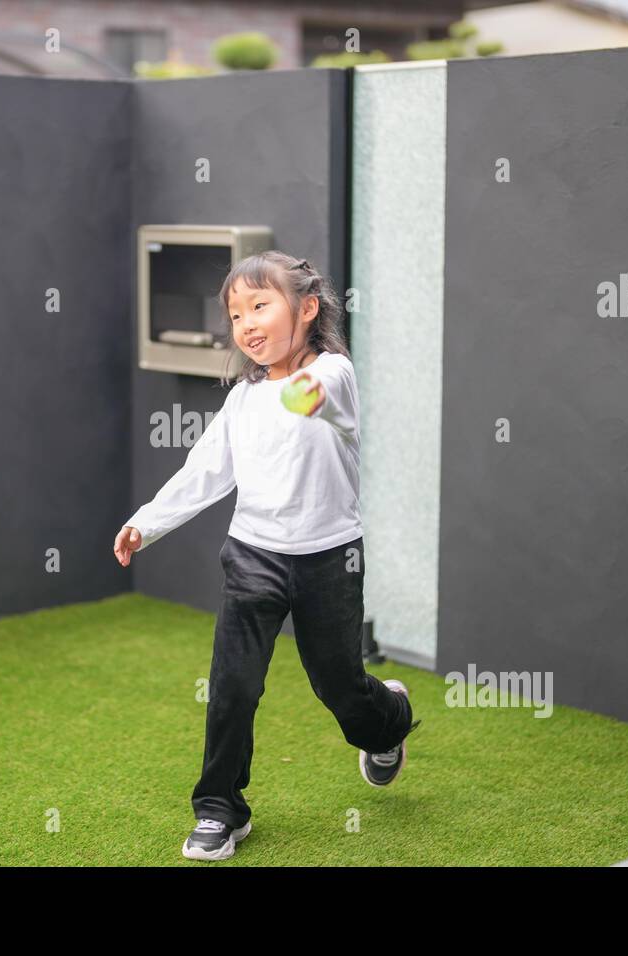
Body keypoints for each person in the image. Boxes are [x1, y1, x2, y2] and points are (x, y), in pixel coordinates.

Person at [112, 250, 422, 862]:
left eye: (260, 305)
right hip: (253, 556)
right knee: (233, 686)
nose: (246, 323)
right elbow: (204, 472)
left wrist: (293, 391)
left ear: (307, 309)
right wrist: (145, 523)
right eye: (235, 314)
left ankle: (386, 722)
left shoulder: (334, 375)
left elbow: (314, 393)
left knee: (338, 687)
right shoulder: (242, 401)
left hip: (330, 560)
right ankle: (219, 809)